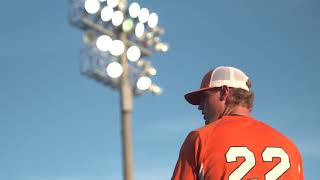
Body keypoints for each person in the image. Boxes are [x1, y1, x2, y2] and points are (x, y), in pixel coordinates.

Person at [171, 66, 304, 180]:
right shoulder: (289, 147)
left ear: (224, 92)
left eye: (204, 97)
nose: (200, 106)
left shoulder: (201, 138)